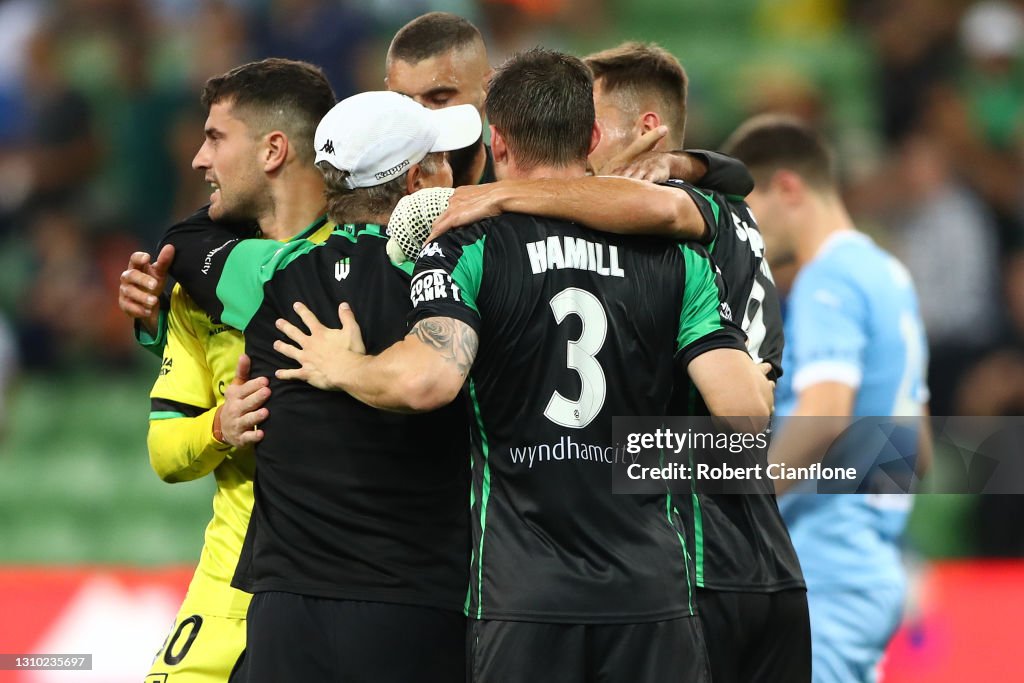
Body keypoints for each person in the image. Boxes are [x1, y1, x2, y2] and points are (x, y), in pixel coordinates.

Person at [273, 48, 773, 683]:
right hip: (654, 600)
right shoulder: (679, 260)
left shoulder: (465, 243)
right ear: (592, 137)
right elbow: (745, 419)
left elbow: (427, 381)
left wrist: (340, 365)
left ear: (497, 140)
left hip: (524, 600)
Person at [425, 43, 809, 683]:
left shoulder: (676, 224)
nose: (587, 143)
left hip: (694, 559)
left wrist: (500, 198)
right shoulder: (726, 212)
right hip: (758, 555)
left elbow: (660, 204)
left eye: (592, 122)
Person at [160, 91, 479, 683]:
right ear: (416, 180)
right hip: (412, 606)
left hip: (283, 612)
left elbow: (183, 245)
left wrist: (151, 317)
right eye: (440, 160)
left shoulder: (264, 277)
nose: (455, 174)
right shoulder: (456, 280)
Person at [126, 58, 338, 682]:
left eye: (216, 138)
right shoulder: (191, 284)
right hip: (226, 592)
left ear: (274, 149)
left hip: (344, 586)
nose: (197, 158)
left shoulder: (366, 260)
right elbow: (166, 451)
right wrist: (220, 427)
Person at [722, 115, 929, 683]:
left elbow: (824, 412)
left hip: (829, 565)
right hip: (874, 564)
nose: (748, 235)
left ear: (787, 187)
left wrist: (744, 498)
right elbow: (921, 448)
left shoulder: (827, 280)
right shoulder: (889, 274)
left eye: (749, 211)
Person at [385, 11, 494, 186]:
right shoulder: (366, 203)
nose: (419, 123)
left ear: (488, 90)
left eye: (440, 99)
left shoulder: (528, 200)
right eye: (403, 101)